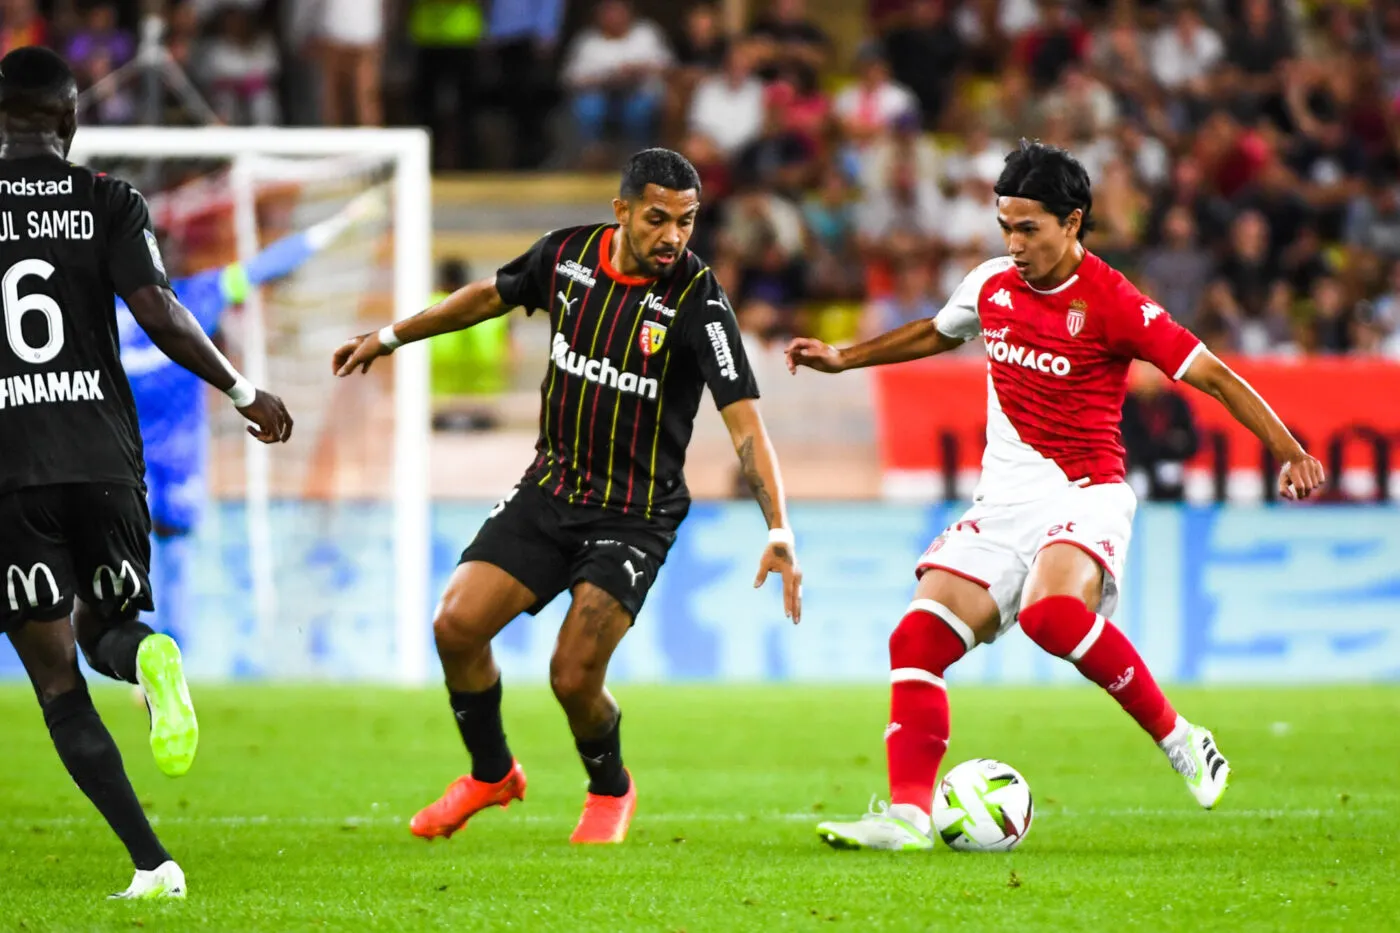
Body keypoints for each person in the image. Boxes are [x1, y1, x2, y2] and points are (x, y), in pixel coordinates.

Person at [786, 141, 1325, 851]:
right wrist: (844, 357)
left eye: (1029, 228)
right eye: (1005, 226)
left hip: (1085, 494)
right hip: (1003, 502)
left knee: (1050, 614)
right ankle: (908, 817)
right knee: (915, 637)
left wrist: (1289, 448)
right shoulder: (990, 285)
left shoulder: (1115, 302)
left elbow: (1215, 375)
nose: (1014, 244)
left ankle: (1181, 737)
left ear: (1073, 223)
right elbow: (935, 332)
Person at [333, 148, 802, 845]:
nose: (673, 236)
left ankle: (610, 786)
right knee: (455, 627)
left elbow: (745, 423)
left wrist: (779, 527)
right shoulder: (567, 256)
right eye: (657, 219)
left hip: (634, 514)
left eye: (687, 221)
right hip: (550, 489)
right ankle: (491, 773)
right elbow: (488, 296)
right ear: (621, 212)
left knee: (572, 674)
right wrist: (392, 335)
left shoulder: (699, 302)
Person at [0, 47, 292, 896]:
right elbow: (159, 311)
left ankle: (153, 861)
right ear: (68, 120)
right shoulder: (109, 201)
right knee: (105, 631)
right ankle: (151, 653)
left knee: (57, 678)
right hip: (106, 460)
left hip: (14, 468)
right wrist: (241, 388)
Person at [119, 192, 379, 645]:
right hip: (144, 451)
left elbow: (267, 267)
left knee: (160, 551)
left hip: (142, 452)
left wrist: (338, 224)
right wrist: (341, 223)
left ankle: (158, 652)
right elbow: (267, 267)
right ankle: (147, 650)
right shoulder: (190, 297)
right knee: (156, 551)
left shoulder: (187, 296)